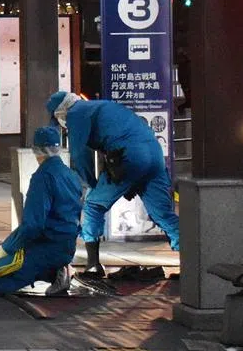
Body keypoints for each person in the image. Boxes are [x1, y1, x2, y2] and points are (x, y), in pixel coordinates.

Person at [46, 91, 180, 277]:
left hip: (130, 157)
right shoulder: (100, 106)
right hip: (155, 155)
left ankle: (93, 266)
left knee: (93, 205)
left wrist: (91, 183)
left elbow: (79, 154)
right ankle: (191, 266)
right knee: (163, 214)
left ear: (60, 112)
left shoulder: (75, 113)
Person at [0, 126, 82, 295]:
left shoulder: (42, 177)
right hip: (67, 247)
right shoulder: (71, 175)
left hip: (46, 247)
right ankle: (60, 268)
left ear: (36, 150)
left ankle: (54, 271)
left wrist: (8, 247)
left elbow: (33, 225)